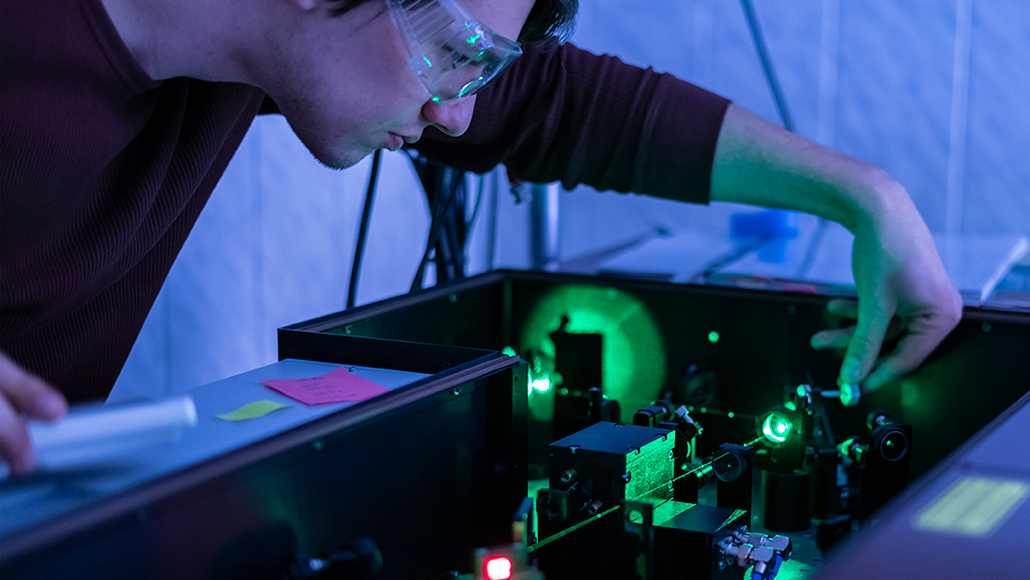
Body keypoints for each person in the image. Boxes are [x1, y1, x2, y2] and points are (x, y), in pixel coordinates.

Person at [0, 0, 961, 473]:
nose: (456, 118)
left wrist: (865, 195)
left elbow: (559, 104)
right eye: (461, 58)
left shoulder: (245, 53)